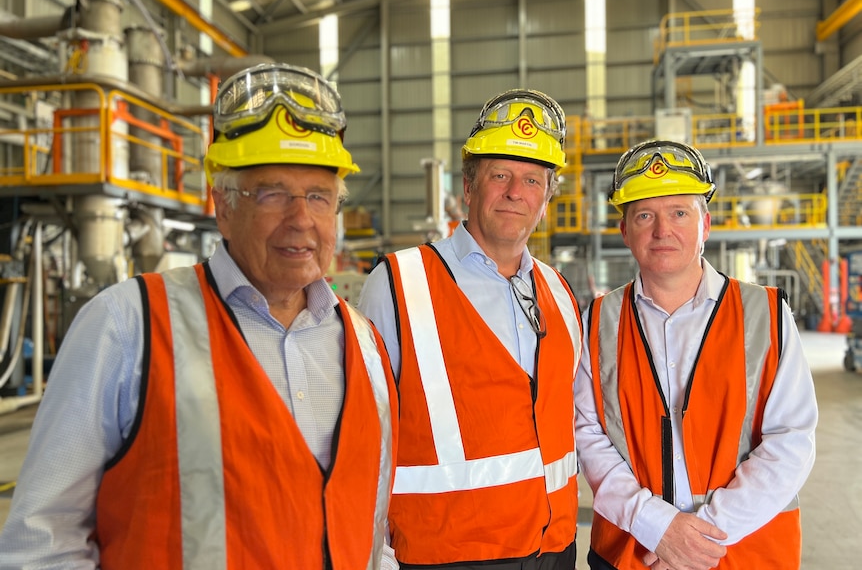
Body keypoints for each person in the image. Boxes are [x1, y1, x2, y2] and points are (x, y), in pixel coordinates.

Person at [0, 63, 399, 569]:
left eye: (318, 196)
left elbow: (372, 535)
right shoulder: (127, 328)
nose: (301, 219)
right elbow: (40, 543)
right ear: (224, 206)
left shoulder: (367, 347)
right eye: (273, 193)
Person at [358, 89, 582, 569]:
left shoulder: (559, 293)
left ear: (546, 198)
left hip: (554, 548)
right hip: (447, 554)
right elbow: (364, 436)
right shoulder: (398, 284)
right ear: (468, 186)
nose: (514, 192)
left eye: (532, 180)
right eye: (499, 175)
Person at [575, 139, 818, 570]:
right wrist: (657, 527)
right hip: (634, 556)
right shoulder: (596, 321)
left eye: (679, 213)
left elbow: (791, 439)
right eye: (645, 215)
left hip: (743, 556)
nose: (662, 231)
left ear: (705, 224)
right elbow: (587, 435)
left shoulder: (766, 314)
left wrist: (700, 538)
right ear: (625, 231)